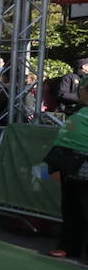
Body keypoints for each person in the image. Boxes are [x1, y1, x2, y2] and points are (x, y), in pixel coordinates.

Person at [45, 83, 88, 259]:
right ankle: (68, 247)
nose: (80, 92)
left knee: (84, 206)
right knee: (71, 206)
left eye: (83, 89)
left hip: (83, 162)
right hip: (68, 161)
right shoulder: (80, 109)